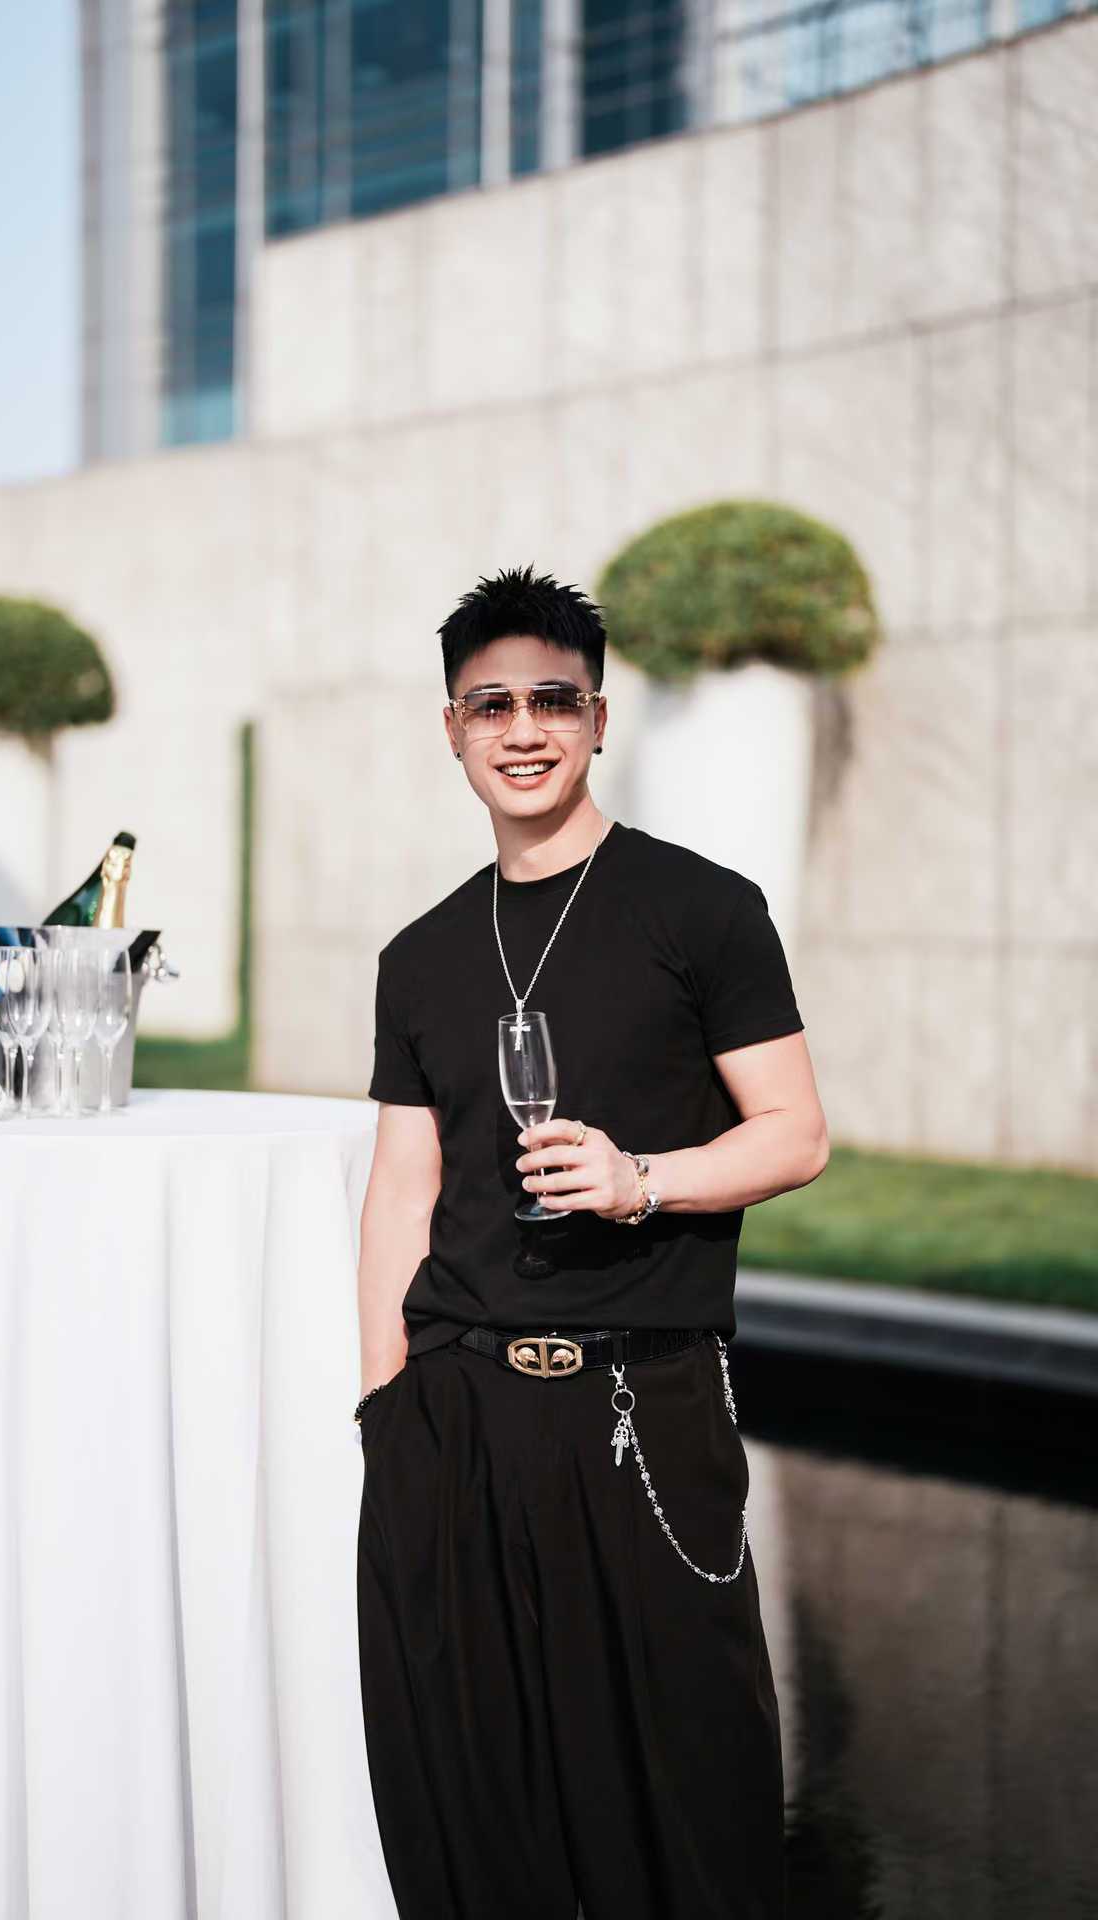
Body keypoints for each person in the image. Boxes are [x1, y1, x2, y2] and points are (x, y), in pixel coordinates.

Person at [354, 565, 828, 1919]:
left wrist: (642, 1183)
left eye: (553, 701)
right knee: (475, 1804)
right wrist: (388, 1411)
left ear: (600, 720)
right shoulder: (419, 957)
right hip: (457, 1414)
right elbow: (402, 1189)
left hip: (644, 1409)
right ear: (453, 729)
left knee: (690, 1802)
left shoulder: (703, 911)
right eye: (491, 703)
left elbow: (795, 1133)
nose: (523, 730)